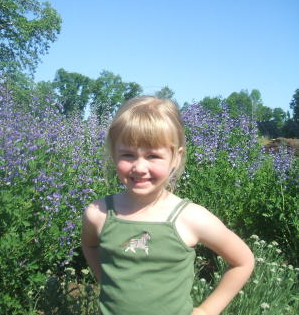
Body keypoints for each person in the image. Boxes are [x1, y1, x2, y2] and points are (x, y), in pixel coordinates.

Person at [81, 96, 254, 315]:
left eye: (153, 156)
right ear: (114, 154)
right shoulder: (99, 214)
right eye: (128, 155)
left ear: (175, 157)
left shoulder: (190, 218)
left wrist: (207, 310)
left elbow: (243, 261)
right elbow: (90, 245)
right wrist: (105, 279)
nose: (140, 167)